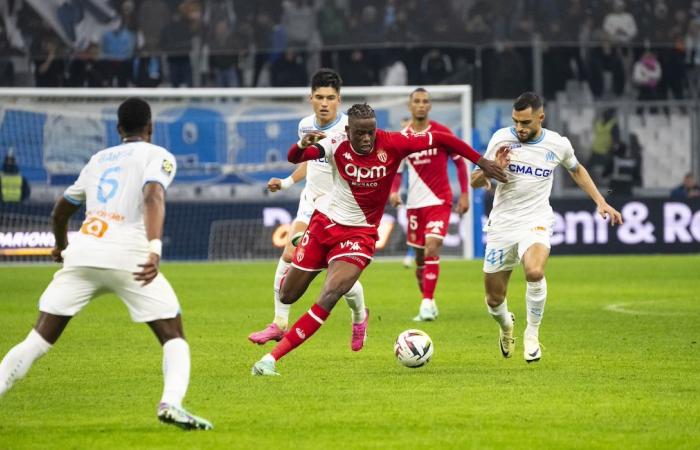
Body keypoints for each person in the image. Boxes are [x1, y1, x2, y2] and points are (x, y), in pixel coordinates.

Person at [0, 98, 212, 430]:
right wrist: (154, 249)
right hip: (130, 257)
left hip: (83, 253)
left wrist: (61, 246)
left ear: (117, 129)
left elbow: (60, 211)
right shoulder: (158, 156)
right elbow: (153, 196)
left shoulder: (98, 160)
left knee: (37, 339)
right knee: (173, 335)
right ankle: (171, 404)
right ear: (150, 127)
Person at [251, 103, 508, 376]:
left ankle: (270, 360)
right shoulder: (335, 144)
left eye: (371, 132)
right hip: (323, 226)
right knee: (288, 294)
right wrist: (302, 144)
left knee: (330, 293)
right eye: (360, 133)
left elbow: (444, 139)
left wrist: (482, 162)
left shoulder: (393, 143)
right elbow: (294, 157)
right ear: (348, 131)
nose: (366, 139)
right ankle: (345, 305)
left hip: (359, 235)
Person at [471, 92, 623, 363]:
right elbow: (474, 181)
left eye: (526, 122)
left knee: (535, 270)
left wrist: (601, 202)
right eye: (516, 122)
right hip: (503, 225)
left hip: (536, 220)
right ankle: (507, 327)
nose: (520, 128)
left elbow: (576, 169)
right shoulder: (500, 139)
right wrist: (493, 168)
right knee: (494, 300)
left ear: (541, 117)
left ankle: (532, 334)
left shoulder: (557, 144)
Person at [248, 69, 368, 351]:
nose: (324, 103)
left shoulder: (348, 130)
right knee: (289, 253)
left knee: (336, 276)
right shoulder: (305, 125)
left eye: (330, 97)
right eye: (319, 97)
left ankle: (360, 316)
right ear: (310, 98)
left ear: (339, 100)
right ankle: (279, 323)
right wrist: (287, 181)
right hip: (311, 202)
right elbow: (310, 160)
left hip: (339, 208)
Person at [389, 88, 470, 321]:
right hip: (415, 205)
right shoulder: (402, 138)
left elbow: (460, 163)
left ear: (430, 106)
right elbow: (397, 171)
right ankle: (429, 301)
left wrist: (464, 194)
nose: (421, 105)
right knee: (419, 259)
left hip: (440, 201)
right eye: (417, 101)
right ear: (410, 105)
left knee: (432, 246)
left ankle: (425, 304)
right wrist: (394, 192)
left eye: (425, 101)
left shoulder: (443, 133)